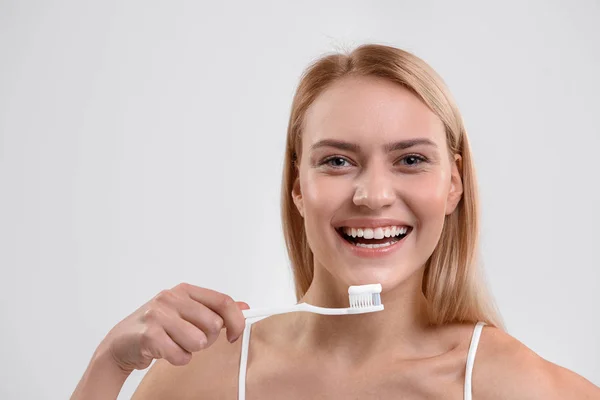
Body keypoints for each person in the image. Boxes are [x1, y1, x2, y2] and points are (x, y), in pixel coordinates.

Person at [71, 44, 600, 399]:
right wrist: (110, 363)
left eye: (410, 160)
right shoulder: (205, 374)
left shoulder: (509, 385)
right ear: (297, 186)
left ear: (453, 185)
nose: (372, 195)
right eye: (338, 161)